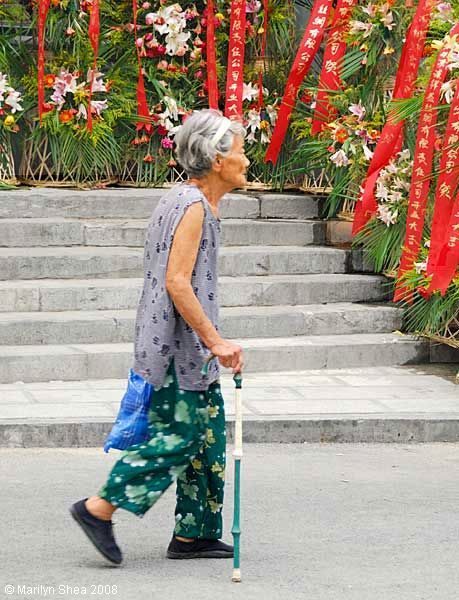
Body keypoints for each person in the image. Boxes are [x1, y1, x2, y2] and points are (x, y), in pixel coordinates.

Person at [70, 109, 247, 565]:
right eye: (240, 151)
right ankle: (98, 508)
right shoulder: (190, 208)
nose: (247, 159)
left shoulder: (192, 200)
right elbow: (177, 282)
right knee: (180, 435)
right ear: (216, 160)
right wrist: (216, 341)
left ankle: (195, 534)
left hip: (185, 345)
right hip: (176, 346)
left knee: (206, 433)